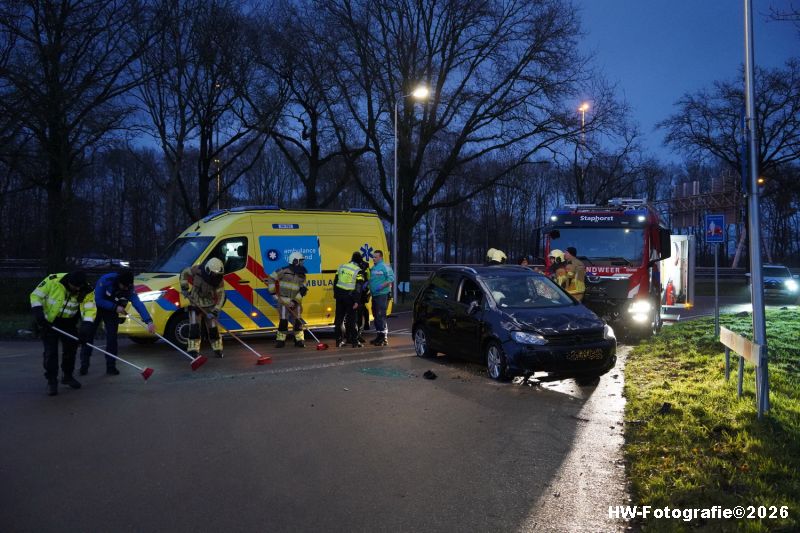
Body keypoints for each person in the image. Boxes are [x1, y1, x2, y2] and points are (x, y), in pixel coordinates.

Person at [30, 271, 95, 396]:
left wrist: (85, 328)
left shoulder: (86, 289)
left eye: (79, 287)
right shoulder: (53, 280)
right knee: (51, 353)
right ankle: (52, 381)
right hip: (50, 322)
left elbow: (90, 309)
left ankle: (68, 376)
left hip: (69, 323)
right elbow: (35, 296)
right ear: (69, 282)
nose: (77, 289)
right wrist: (39, 315)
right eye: (74, 286)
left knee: (71, 351)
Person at [79, 269, 156, 375]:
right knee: (89, 335)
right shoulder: (106, 280)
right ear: (119, 281)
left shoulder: (129, 288)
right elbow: (98, 299)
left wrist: (149, 321)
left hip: (111, 310)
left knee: (112, 337)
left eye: (127, 286)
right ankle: (84, 364)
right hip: (96, 307)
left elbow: (138, 303)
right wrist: (115, 307)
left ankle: (111, 366)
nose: (125, 288)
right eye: (123, 286)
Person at [180, 257, 226, 358]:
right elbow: (184, 273)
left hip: (210, 305)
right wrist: (184, 288)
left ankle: (218, 349)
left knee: (213, 329)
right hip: (195, 303)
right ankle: (193, 350)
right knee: (194, 328)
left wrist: (215, 311)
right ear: (208, 270)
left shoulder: (219, 280)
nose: (215, 275)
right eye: (214, 273)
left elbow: (221, 296)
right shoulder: (197, 270)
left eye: (218, 273)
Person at [265, 251, 308, 348]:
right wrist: (273, 294)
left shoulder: (302, 274)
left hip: (296, 302)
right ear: (295, 261)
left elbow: (303, 290)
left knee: (298, 322)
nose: (302, 263)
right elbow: (271, 278)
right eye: (301, 261)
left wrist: (294, 301)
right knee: (283, 321)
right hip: (284, 301)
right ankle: (280, 341)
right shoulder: (284, 270)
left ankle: (299, 341)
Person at [333, 252, 366, 348]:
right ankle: (355, 342)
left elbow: (335, 281)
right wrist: (356, 301)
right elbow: (359, 287)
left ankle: (338, 341)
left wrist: (336, 294)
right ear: (359, 261)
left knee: (339, 320)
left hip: (339, 297)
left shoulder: (341, 267)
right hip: (350, 298)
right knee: (352, 320)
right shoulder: (358, 271)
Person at [368, 249, 395, 346]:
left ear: (380, 257)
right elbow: (372, 279)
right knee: (376, 316)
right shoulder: (374, 267)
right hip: (375, 295)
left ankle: (383, 338)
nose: (373, 258)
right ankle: (379, 336)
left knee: (380, 316)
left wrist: (381, 286)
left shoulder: (385, 266)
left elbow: (391, 278)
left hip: (382, 294)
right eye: (373, 257)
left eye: (375, 257)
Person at [355, 257, 371, 343]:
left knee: (357, 316)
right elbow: (368, 280)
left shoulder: (353, 266)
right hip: (361, 295)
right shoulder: (365, 267)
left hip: (357, 295)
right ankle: (358, 335)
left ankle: (356, 335)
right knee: (360, 316)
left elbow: (368, 280)